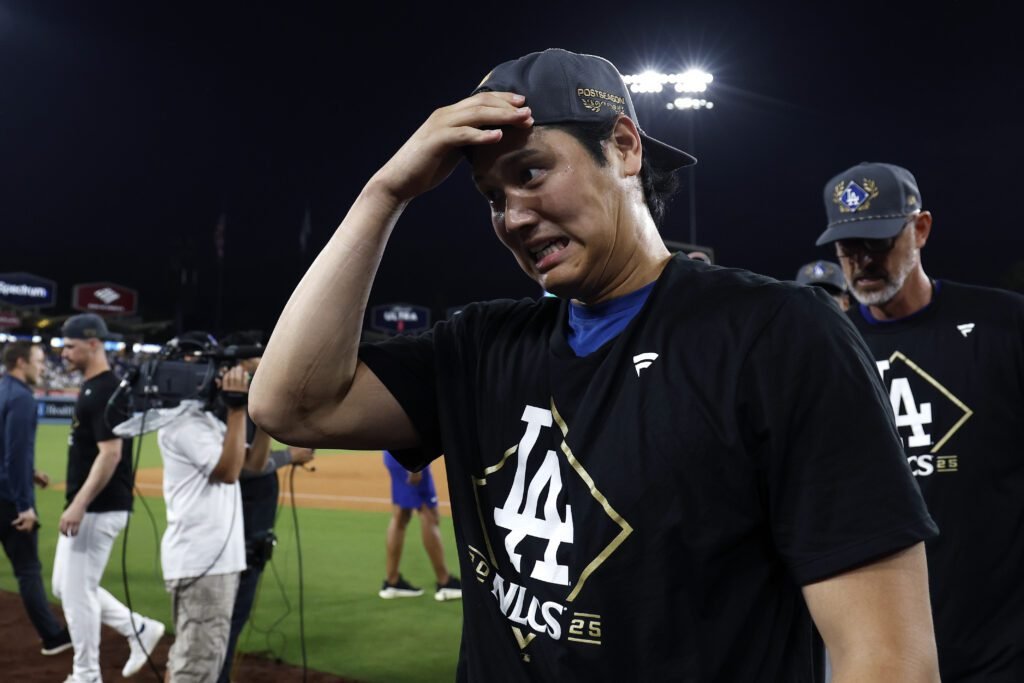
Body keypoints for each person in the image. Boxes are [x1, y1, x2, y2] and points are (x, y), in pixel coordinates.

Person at [251, 48, 940, 681]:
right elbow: (291, 405)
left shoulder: (775, 335)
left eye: (531, 172)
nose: (512, 217)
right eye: (492, 196)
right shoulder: (483, 345)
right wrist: (385, 194)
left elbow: (887, 655)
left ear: (624, 146)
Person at [816, 161, 1024, 681]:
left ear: (921, 229)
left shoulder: (1006, 327)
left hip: (1001, 646)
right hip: (878, 652)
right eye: (848, 248)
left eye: (878, 242)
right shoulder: (822, 349)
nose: (862, 262)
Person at [51, 313, 165, 682]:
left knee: (77, 592)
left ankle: (86, 675)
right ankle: (139, 629)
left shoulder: (104, 390)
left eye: (70, 345)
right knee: (63, 586)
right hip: (96, 506)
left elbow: (111, 453)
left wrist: (79, 504)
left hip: (98, 507)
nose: (64, 352)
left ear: (93, 344)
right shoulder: (94, 387)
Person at [155, 331, 270, 683]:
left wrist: (262, 414)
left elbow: (252, 464)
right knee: (198, 666)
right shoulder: (182, 424)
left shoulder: (203, 421)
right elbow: (228, 472)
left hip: (211, 562)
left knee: (195, 656)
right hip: (204, 563)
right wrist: (237, 410)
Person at [217, 331, 315, 683]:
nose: (265, 365)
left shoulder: (238, 402)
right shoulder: (233, 405)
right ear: (243, 364)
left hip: (245, 523)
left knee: (228, 618)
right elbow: (245, 468)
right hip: (241, 525)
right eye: (259, 360)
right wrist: (290, 455)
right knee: (227, 619)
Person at [0, 341, 71, 656]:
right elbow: (15, 455)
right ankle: (52, 637)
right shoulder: (22, 398)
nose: (43, 367)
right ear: (20, 362)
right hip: (9, 501)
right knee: (28, 570)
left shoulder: (2, 389)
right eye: (39, 361)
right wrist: (25, 506)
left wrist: (32, 471)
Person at [379, 450, 462, 601]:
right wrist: (414, 468)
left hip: (393, 454)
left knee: (401, 515)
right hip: (410, 458)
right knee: (429, 514)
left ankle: (392, 581)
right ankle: (445, 582)